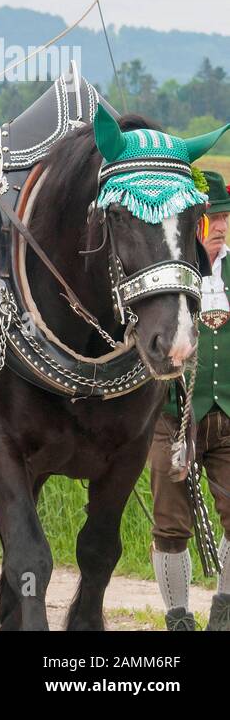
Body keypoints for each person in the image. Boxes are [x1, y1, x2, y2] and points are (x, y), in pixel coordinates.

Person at [150, 169, 230, 631]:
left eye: (223, 216)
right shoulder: (168, 269)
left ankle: (223, 611)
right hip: (171, 417)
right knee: (171, 524)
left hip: (229, 416)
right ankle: (179, 620)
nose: (218, 225)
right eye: (209, 217)